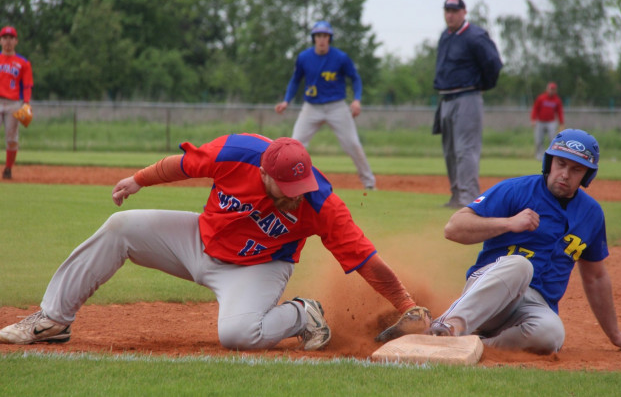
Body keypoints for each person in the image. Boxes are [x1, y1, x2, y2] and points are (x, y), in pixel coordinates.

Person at [0, 134, 429, 350]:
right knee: (120, 226)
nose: (295, 192)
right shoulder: (236, 152)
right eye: (285, 185)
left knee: (238, 334)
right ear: (263, 171)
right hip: (196, 241)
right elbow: (182, 165)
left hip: (259, 267)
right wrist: (138, 179)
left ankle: (303, 316)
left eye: (300, 184)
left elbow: (366, 259)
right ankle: (53, 319)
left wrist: (407, 304)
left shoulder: (321, 203)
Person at [428, 129, 621, 354]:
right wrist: (508, 223)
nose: (565, 174)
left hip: (534, 307)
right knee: (521, 265)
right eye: (560, 164)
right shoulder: (516, 190)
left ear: (587, 176)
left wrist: (614, 333)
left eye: (576, 169)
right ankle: (448, 327)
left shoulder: (592, 214)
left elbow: (596, 277)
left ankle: (473, 347)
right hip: (491, 290)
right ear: (549, 162)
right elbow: (453, 228)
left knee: (552, 335)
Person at [275, 21, 376, 190]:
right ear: (314, 38)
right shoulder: (304, 57)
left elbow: (355, 78)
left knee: (352, 144)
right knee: (294, 144)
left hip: (337, 107)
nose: (322, 39)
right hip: (311, 107)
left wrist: (357, 99)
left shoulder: (340, 58)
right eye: (318, 36)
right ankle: (288, 182)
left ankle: (369, 183)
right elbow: (295, 80)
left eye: (325, 36)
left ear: (330, 38)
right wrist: (287, 100)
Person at [433, 0, 503, 208]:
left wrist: (481, 86)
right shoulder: (445, 36)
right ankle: (456, 196)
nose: (450, 14)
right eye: (447, 10)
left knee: (466, 150)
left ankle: (469, 199)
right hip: (446, 98)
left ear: (464, 12)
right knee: (450, 151)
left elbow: (494, 64)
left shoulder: (475, 36)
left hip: (467, 97)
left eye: (454, 10)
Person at [0, 26, 33, 180]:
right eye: (5, 37)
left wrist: (26, 103)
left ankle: (8, 168)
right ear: (0, 41)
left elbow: (27, 85)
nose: (8, 41)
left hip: (13, 103)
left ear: (16, 41)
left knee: (12, 138)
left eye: (11, 38)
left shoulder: (23, 63)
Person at [531, 82, 564, 160]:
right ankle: (539, 156)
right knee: (539, 139)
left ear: (555, 90)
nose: (552, 91)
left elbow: (559, 112)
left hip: (551, 122)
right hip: (540, 121)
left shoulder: (557, 100)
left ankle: (551, 156)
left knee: (552, 139)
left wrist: (561, 123)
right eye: (550, 89)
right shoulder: (541, 98)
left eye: (553, 89)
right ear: (547, 89)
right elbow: (535, 109)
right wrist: (533, 119)